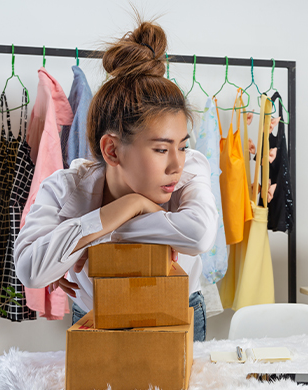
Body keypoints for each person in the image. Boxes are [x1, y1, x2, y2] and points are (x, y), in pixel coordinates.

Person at [13, 19, 218, 342]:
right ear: (112, 150)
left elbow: (198, 235)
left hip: (177, 311)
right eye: (162, 149)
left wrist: (85, 238)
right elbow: (29, 269)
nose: (176, 163)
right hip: (97, 312)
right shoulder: (65, 186)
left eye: (182, 145)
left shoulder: (191, 168)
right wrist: (132, 205)